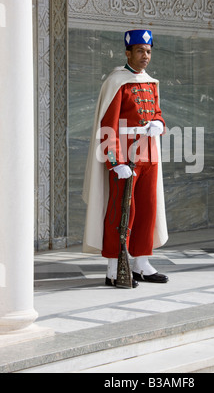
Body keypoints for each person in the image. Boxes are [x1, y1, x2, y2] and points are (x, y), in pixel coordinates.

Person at [82, 29, 169, 288]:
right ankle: (112, 267)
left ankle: (141, 263)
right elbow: (108, 125)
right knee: (121, 212)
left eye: (149, 51)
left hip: (149, 156)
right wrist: (115, 161)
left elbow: (158, 113)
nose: (146, 56)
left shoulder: (150, 82)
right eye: (141, 51)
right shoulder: (117, 81)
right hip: (124, 159)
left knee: (147, 210)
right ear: (128, 53)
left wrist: (159, 123)